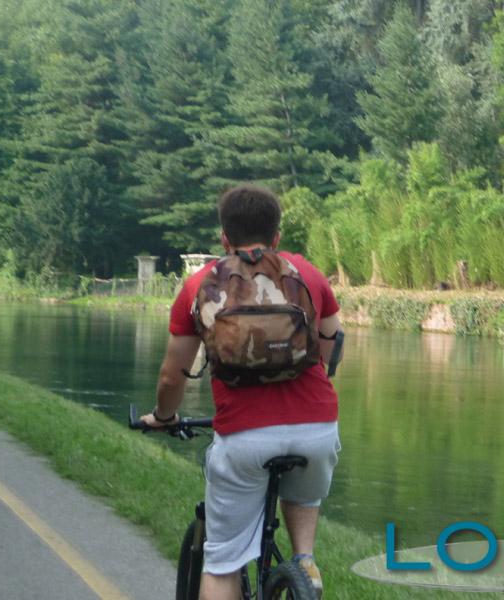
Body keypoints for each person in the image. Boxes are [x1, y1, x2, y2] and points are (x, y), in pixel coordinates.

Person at [142, 184, 342, 600]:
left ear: (224, 239)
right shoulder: (308, 274)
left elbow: (172, 376)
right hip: (316, 430)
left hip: (244, 436)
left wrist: (164, 417)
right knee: (303, 491)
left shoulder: (199, 285)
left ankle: (245, 570)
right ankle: (305, 563)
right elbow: (331, 346)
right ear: (276, 236)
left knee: (222, 563)